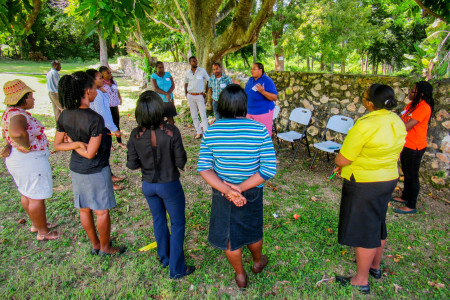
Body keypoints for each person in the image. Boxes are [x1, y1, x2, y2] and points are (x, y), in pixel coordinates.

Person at [198, 84, 277, 289]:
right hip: (251, 192)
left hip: (222, 193)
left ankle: (240, 276)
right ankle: (258, 263)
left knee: (229, 236)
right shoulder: (259, 129)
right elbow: (268, 169)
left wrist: (229, 191)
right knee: (252, 230)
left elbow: (204, 168)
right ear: (244, 105)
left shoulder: (212, 130)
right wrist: (240, 188)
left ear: (221, 105)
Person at [334, 84, 407, 295]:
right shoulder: (397, 120)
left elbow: (343, 158)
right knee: (377, 221)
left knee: (364, 228)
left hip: (365, 182)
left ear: (368, 103)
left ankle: (360, 279)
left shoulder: (365, 124)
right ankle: (375, 267)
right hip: (388, 178)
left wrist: (338, 162)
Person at [54, 71, 125, 256]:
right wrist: (78, 144)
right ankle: (105, 247)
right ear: (87, 91)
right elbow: (90, 153)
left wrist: (73, 143)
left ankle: (95, 245)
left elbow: (57, 144)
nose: (97, 90)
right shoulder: (95, 119)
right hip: (95, 170)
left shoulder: (64, 115)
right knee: (101, 211)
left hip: (76, 170)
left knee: (84, 209)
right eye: (94, 87)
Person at [126, 90, 195, 278]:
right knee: (178, 223)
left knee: (158, 220)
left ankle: (164, 258)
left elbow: (131, 164)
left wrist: (147, 160)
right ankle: (177, 269)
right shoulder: (171, 131)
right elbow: (181, 162)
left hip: (148, 185)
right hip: (169, 184)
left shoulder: (135, 134)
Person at [1, 79, 60, 240]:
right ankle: (43, 232)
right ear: (23, 98)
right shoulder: (18, 115)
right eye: (31, 97)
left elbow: (6, 133)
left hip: (18, 160)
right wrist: (26, 146)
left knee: (26, 192)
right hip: (29, 160)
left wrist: (9, 145)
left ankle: (37, 224)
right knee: (36, 196)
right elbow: (16, 133)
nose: (33, 99)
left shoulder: (10, 112)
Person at [391, 81, 434, 214]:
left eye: (412, 90)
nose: (409, 92)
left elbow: (406, 126)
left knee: (412, 175)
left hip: (415, 146)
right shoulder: (412, 105)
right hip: (406, 144)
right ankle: (405, 197)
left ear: (420, 93)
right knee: (407, 172)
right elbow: (402, 118)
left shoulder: (423, 107)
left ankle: (411, 205)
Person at [86, 69, 125, 191]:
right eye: (99, 78)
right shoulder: (96, 95)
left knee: (105, 154)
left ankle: (110, 176)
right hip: (101, 128)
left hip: (102, 127)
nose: (102, 79)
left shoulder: (99, 92)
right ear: (92, 80)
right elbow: (102, 114)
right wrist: (114, 129)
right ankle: (107, 183)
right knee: (102, 155)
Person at [244, 63, 278, 135]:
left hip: (262, 112)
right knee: (251, 134)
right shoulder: (250, 80)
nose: (251, 71)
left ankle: (265, 146)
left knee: (263, 134)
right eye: (251, 69)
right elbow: (247, 92)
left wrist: (262, 92)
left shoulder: (267, 81)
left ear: (260, 70)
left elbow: (275, 97)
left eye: (254, 69)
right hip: (249, 112)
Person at [100, 66, 126, 149]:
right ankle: (110, 144)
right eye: (108, 73)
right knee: (108, 125)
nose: (110, 74)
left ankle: (119, 142)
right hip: (107, 107)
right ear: (102, 74)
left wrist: (120, 98)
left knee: (116, 123)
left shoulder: (114, 82)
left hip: (115, 105)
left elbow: (116, 90)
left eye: (110, 72)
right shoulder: (101, 84)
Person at [184, 56, 210, 139]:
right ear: (190, 63)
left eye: (196, 61)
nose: (195, 62)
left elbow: (209, 80)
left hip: (199, 96)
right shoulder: (187, 73)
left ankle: (206, 133)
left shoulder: (202, 71)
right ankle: (199, 132)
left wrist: (205, 92)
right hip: (190, 96)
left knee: (203, 115)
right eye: (193, 61)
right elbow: (185, 83)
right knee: (194, 115)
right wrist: (186, 93)